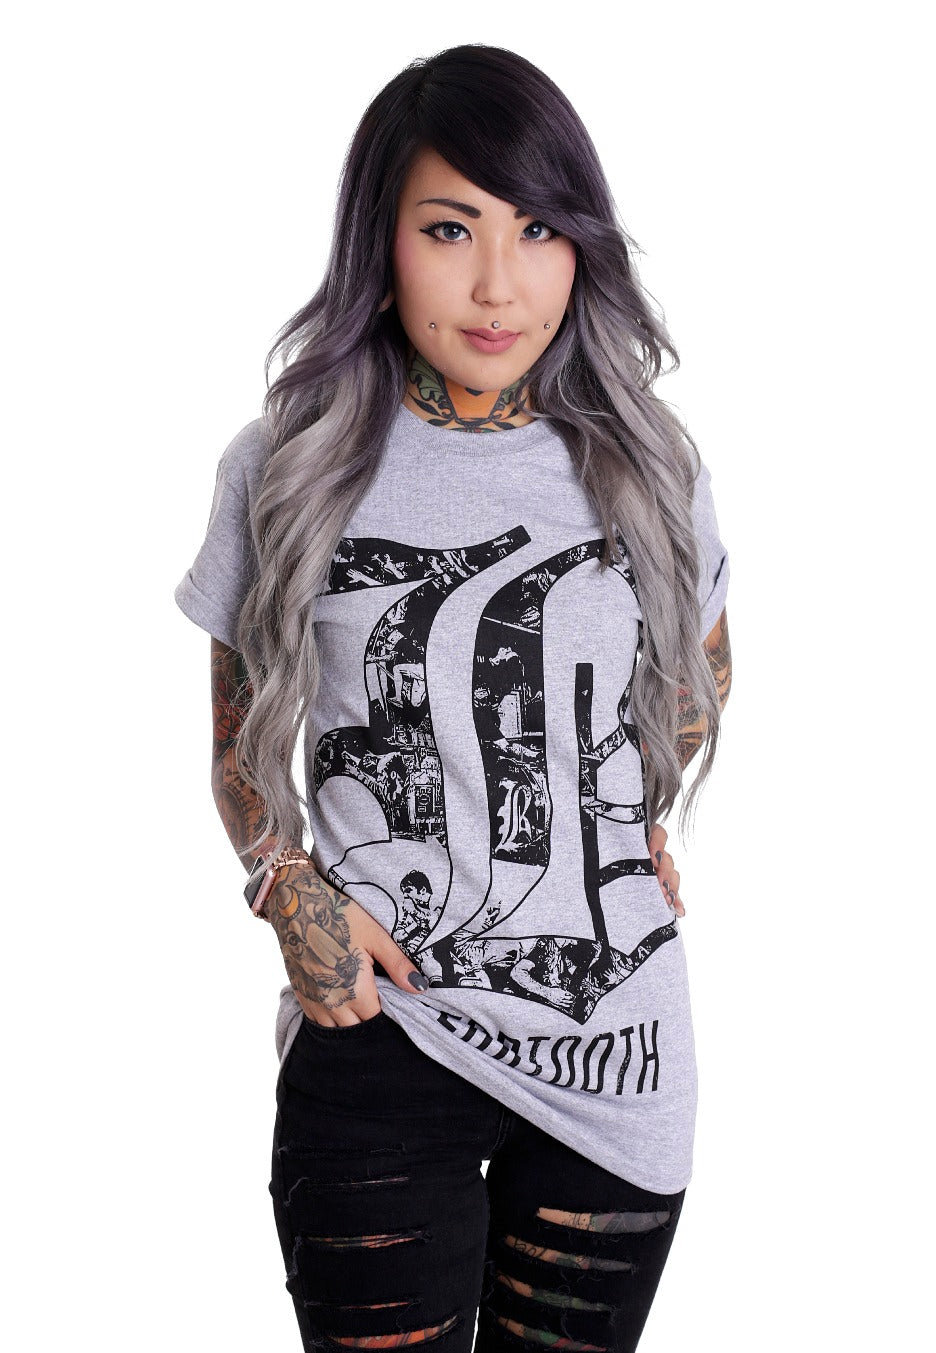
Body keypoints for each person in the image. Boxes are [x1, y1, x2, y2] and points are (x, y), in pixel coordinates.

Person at [174, 42, 732, 1353]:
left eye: (539, 230)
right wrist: (284, 885)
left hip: (615, 1044)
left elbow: (702, 663)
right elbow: (238, 736)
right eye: (450, 228)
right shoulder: (291, 461)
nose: (498, 284)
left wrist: (632, 805)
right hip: (382, 1029)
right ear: (382, 239)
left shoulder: (649, 460)